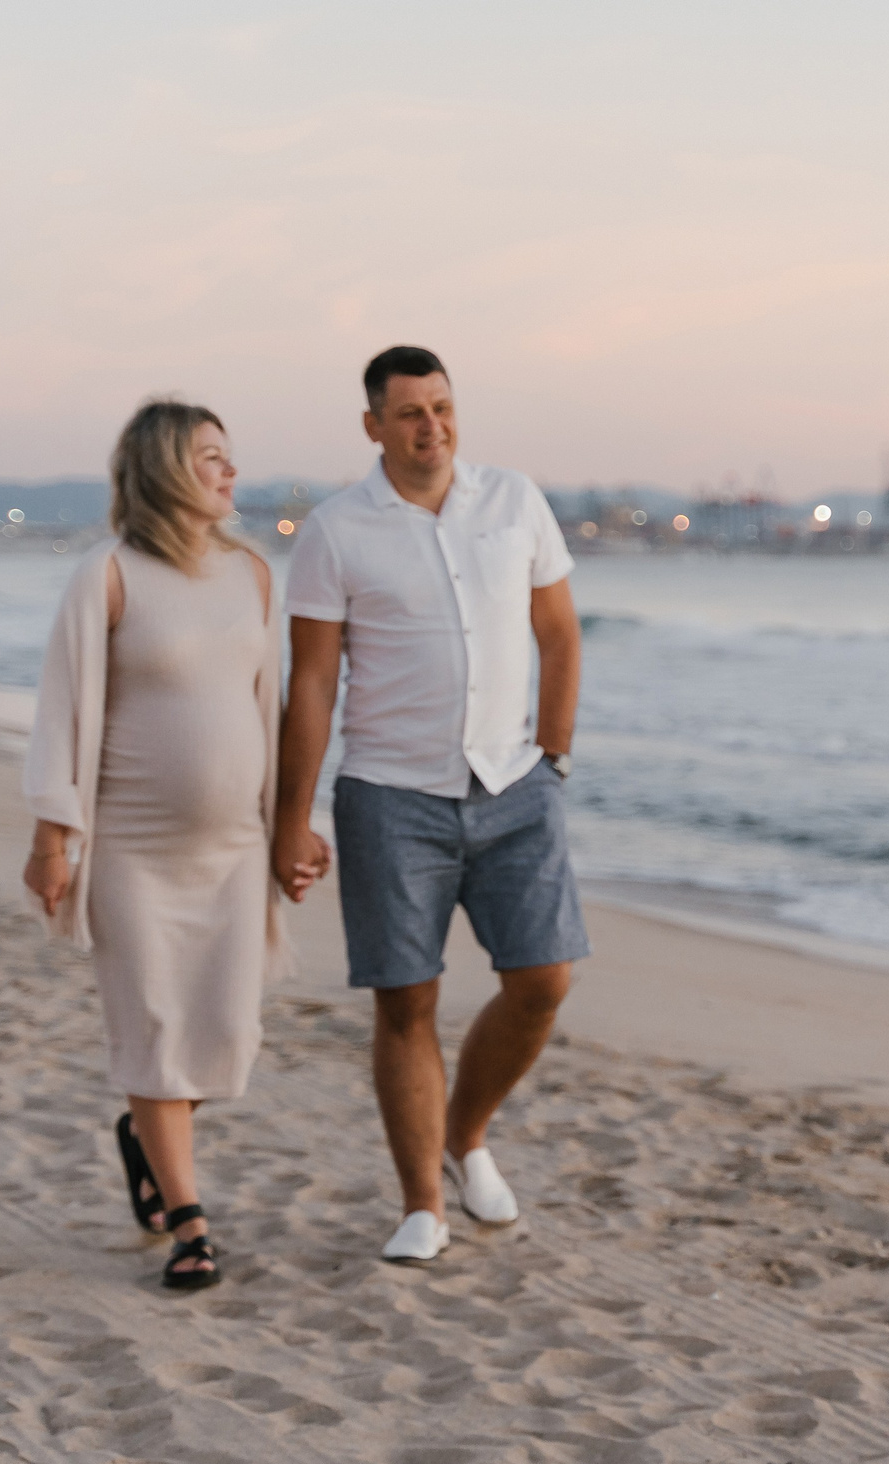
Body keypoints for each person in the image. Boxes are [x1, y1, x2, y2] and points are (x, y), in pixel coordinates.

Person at [274, 345, 586, 1265]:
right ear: (374, 426)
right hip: (388, 796)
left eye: (443, 407)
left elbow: (559, 634)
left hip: (514, 784)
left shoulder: (514, 501)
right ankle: (423, 1204)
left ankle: (465, 1135)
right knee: (406, 1003)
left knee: (543, 981)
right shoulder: (335, 531)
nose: (431, 427)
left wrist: (554, 759)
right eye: (409, 412)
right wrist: (292, 820)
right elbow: (313, 684)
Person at [22, 399, 283, 1292]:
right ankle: (190, 1222)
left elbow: (270, 713)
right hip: (132, 845)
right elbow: (61, 709)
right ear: (168, 468)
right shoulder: (110, 573)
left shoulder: (253, 574)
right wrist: (54, 835)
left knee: (226, 1029)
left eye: (229, 455)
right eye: (212, 457)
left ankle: (146, 1125)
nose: (230, 472)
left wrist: (294, 826)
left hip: (235, 851)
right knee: (156, 1025)